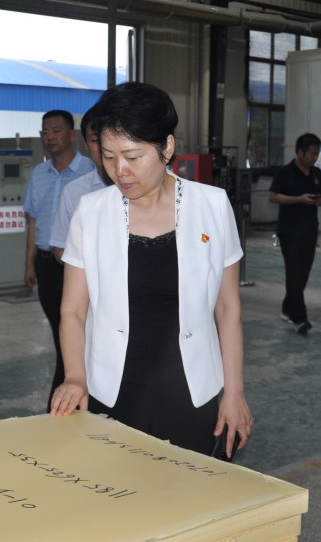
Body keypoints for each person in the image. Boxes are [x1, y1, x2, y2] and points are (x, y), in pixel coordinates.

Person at [50, 83, 253, 459]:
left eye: (132, 156)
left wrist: (234, 392)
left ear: (167, 148)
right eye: (108, 157)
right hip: (113, 389)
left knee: (190, 487)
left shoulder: (212, 205)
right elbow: (73, 310)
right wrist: (75, 376)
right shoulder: (91, 212)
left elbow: (228, 309)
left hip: (192, 391)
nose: (119, 171)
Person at [23, 109, 94, 407]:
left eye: (55, 131)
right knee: (59, 330)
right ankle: (71, 387)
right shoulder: (39, 174)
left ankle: (66, 393)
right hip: (46, 264)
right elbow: (33, 222)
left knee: (77, 329)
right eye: (44, 132)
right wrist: (29, 263)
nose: (49, 137)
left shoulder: (92, 172)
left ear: (71, 135)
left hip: (77, 267)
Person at [269, 133, 321, 335]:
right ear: (300, 152)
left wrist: (319, 201)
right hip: (289, 231)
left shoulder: (317, 173)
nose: (314, 157)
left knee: (302, 275)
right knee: (294, 273)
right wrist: (298, 199)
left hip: (310, 231)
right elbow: (273, 197)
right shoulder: (285, 172)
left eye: (317, 154)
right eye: (312, 153)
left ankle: (287, 307)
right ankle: (299, 318)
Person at [50, 106, 111, 261]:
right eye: (95, 140)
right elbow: (60, 249)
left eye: (110, 138)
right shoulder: (74, 192)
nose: (104, 147)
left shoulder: (142, 186)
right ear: (85, 144)